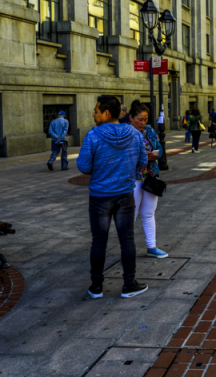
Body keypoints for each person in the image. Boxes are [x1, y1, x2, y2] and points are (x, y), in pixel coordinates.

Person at [77, 95, 149, 299]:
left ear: (106, 113)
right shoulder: (134, 134)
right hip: (125, 194)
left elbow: (83, 166)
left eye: (96, 111)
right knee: (127, 239)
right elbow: (143, 161)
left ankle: (96, 287)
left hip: (100, 196)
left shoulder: (93, 135)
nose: (93, 114)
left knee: (98, 241)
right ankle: (128, 284)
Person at [126, 101, 168, 259]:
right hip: (134, 177)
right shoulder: (126, 132)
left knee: (149, 213)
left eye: (145, 119)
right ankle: (128, 248)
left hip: (150, 176)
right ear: (131, 117)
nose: (143, 123)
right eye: (139, 119)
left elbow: (159, 147)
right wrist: (143, 156)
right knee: (132, 214)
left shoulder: (149, 130)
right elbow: (124, 156)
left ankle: (152, 246)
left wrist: (157, 154)